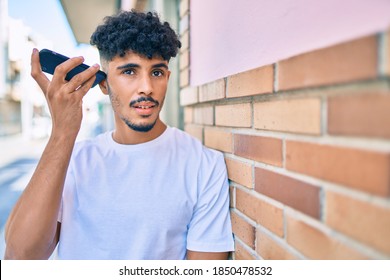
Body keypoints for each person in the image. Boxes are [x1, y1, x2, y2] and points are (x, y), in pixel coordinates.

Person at [4, 10, 234, 260]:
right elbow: (20, 256)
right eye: (129, 72)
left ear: (167, 77)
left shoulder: (203, 165)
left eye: (156, 72)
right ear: (104, 83)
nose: (146, 87)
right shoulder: (73, 160)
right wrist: (62, 133)